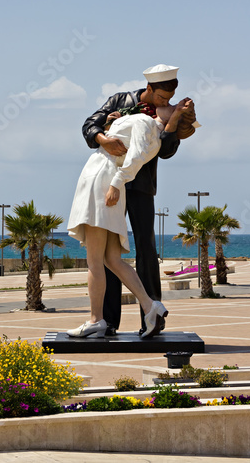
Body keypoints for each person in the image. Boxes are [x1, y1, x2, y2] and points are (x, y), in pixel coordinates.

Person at [81, 64, 198, 336]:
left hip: (142, 186)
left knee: (146, 248)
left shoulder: (170, 112)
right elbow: (89, 125)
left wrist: (174, 123)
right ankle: (108, 321)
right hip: (110, 183)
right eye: (160, 97)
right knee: (110, 251)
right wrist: (104, 139)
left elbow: (167, 151)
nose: (164, 102)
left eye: (169, 98)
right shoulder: (120, 100)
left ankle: (153, 317)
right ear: (149, 88)